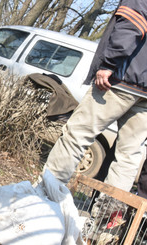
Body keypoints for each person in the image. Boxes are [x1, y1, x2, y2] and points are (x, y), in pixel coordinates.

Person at [44, 0, 147, 195]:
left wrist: (109, 64)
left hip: (120, 80)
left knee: (77, 134)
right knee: (128, 156)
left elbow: (133, 25)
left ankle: (44, 196)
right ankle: (106, 219)